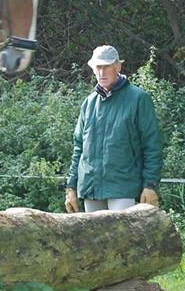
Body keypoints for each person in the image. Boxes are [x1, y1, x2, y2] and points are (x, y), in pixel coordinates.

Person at [65, 45, 162, 213]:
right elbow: (79, 148)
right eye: (98, 67)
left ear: (118, 67)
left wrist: (150, 185)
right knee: (94, 232)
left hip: (124, 188)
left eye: (106, 66)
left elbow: (152, 144)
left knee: (124, 232)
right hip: (91, 189)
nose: (101, 72)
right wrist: (71, 188)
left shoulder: (139, 99)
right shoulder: (88, 103)